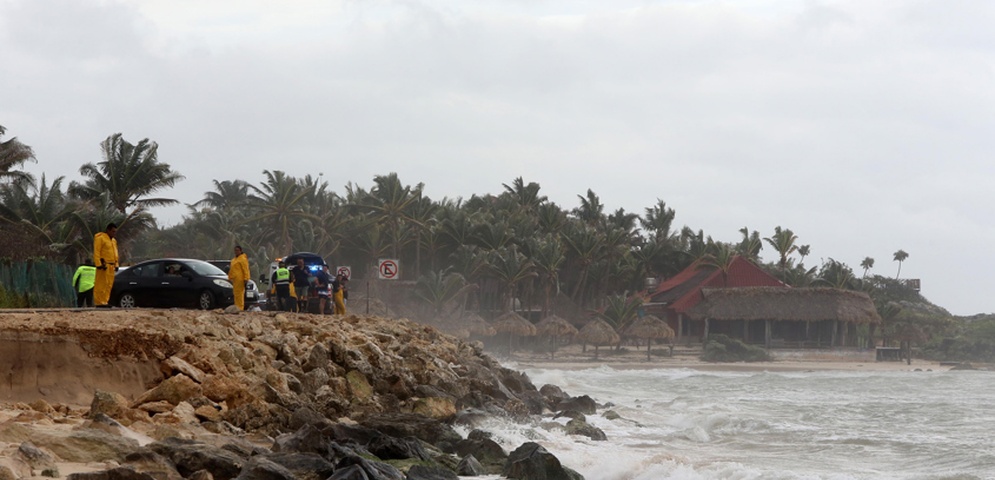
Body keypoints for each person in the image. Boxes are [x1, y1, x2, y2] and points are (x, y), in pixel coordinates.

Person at [92, 223, 119, 307]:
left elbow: (115, 253)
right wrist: (98, 264)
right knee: (101, 284)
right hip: (104, 265)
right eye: (113, 231)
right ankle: (99, 302)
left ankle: (105, 301)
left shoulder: (114, 241)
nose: (114, 233)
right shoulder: (100, 238)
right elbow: (97, 251)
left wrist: (116, 264)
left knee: (108, 285)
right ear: (108, 230)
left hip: (111, 266)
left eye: (115, 232)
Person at [228, 245, 250, 310]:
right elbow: (232, 269)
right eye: (235, 250)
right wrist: (230, 277)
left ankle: (240, 308)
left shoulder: (243, 259)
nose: (236, 252)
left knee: (240, 294)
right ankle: (236, 307)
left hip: (240, 279)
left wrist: (246, 278)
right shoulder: (234, 260)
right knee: (235, 293)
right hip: (235, 279)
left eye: (237, 250)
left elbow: (246, 269)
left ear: (241, 251)